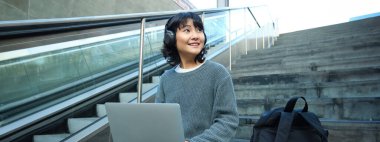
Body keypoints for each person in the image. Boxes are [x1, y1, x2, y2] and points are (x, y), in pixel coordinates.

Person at [155, 12, 239, 142]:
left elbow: (228, 120)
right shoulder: (165, 79)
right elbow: (159, 120)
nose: (195, 36)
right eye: (187, 30)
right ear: (170, 38)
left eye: (199, 30)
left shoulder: (218, 73)